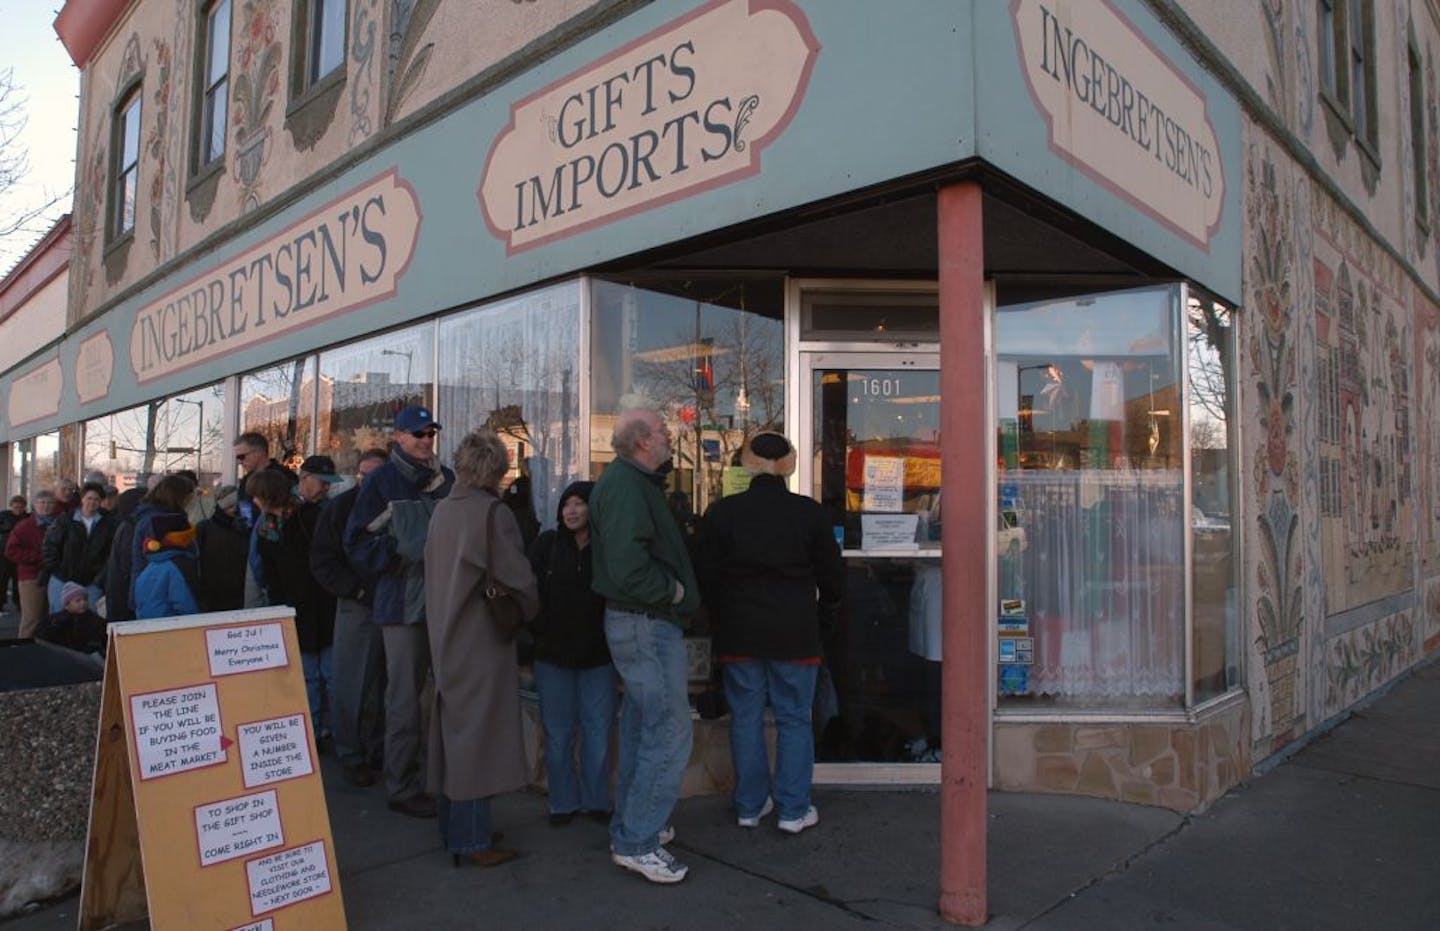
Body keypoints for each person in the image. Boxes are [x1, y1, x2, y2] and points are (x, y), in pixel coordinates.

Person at [696, 431, 844, 835]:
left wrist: (720, 615)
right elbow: (833, 578)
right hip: (796, 632)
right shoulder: (809, 514)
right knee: (795, 718)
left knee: (745, 718)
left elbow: (705, 575)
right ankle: (794, 810)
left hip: (740, 632)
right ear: (790, 465)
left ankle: (749, 805)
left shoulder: (723, 513)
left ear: (747, 463)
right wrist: (825, 615)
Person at [589, 404, 700, 884]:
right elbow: (629, 565)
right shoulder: (626, 487)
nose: (669, 434)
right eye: (661, 429)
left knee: (642, 728)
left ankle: (632, 827)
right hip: (646, 624)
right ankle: (637, 841)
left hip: (644, 623)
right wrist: (672, 592)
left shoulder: (632, 483)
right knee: (669, 730)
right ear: (641, 442)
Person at [424, 429, 536, 867]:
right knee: (477, 740)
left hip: (444, 633)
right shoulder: (493, 513)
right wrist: (531, 608)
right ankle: (471, 840)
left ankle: (457, 829)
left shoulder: (444, 511)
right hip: (480, 640)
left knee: (455, 735)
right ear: (497, 468)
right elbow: (519, 580)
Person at [345, 405, 454, 818]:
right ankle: (402, 786)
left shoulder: (447, 480)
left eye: (431, 433)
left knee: (448, 696)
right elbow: (355, 543)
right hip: (401, 606)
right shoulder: (380, 483)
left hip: (446, 604)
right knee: (404, 701)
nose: (426, 439)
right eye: (418, 433)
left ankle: (446, 781)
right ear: (399, 438)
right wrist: (399, 552)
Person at [528, 480, 616, 826]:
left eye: (580, 503)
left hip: (598, 658)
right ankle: (562, 802)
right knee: (558, 732)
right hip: (553, 657)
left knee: (598, 732)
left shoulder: (607, 550)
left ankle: (596, 800)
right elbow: (528, 594)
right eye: (567, 504)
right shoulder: (547, 546)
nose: (572, 510)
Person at [311, 448, 388, 787]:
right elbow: (323, 560)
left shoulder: (400, 506)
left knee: (391, 687)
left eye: (375, 475)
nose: (367, 481)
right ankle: (351, 753)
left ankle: (380, 750)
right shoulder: (342, 509)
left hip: (396, 605)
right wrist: (355, 590)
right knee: (351, 684)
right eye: (363, 474)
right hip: (358, 605)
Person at [248, 464, 338, 744]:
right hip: (295, 610)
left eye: (257, 496)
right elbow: (266, 571)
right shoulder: (267, 528)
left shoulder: (304, 519)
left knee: (327, 675)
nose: (254, 502)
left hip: (318, 607)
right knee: (309, 675)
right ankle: (314, 731)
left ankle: (333, 731)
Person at [42, 482, 117, 614]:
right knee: (59, 617)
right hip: (62, 578)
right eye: (89, 498)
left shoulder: (108, 524)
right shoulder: (65, 520)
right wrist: (56, 568)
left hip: (92, 581)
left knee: (90, 619)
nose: (92, 502)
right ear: (82, 499)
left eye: (96, 499)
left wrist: (100, 577)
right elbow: (50, 545)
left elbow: (110, 553)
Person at [128, 474, 198, 615]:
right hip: (160, 592)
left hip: (151, 592)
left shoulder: (149, 516)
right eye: (189, 497)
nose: (192, 502)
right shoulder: (160, 522)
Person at [5, 491, 57, 638]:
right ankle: (23, 651)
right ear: (35, 505)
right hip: (31, 577)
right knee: (31, 619)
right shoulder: (24, 526)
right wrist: (38, 557)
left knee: (50, 618)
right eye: (42, 503)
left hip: (54, 576)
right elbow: (11, 551)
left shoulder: (58, 523)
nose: (46, 507)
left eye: (49, 503)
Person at [133, 512, 201, 619]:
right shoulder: (177, 566)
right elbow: (184, 603)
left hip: (149, 629)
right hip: (173, 630)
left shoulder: (148, 568)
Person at [195, 485, 249, 611]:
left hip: (235, 591)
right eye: (231, 507)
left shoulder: (243, 528)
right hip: (213, 592)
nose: (235, 510)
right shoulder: (204, 528)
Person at [37, 580, 108, 656]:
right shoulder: (54, 622)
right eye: (78, 601)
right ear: (67, 605)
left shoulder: (97, 621)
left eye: (85, 599)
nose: (83, 603)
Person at [234, 432, 297, 515]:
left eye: (241, 457)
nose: (239, 462)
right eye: (237, 458)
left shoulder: (285, 477)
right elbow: (242, 512)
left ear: (259, 452)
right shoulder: (246, 480)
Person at [0, 495, 26, 611]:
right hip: (4, 553)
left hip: (19, 554)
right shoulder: (4, 516)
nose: (18, 510)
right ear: (11, 507)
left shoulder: (27, 518)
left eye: (20, 507)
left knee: (18, 581)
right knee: (2, 580)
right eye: (15, 507)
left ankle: (19, 603)